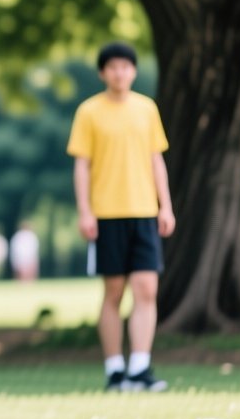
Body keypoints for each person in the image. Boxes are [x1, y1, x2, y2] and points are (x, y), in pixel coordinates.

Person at [67, 41, 175, 392]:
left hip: (144, 212)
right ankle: (115, 370)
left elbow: (156, 160)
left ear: (134, 71)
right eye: (113, 67)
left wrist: (165, 205)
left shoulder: (147, 109)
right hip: (106, 214)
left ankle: (140, 367)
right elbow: (82, 166)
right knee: (113, 291)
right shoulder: (89, 112)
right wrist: (85, 211)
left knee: (146, 288)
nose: (120, 73)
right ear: (103, 73)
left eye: (126, 66)